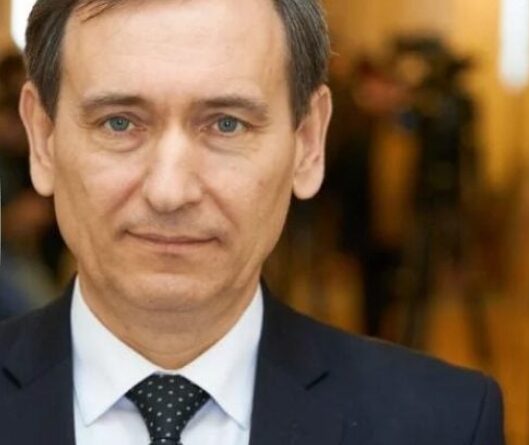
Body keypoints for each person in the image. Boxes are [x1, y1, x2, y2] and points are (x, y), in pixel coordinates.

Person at [0, 0, 503, 444]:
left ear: (308, 143)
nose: (170, 193)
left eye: (227, 124)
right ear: (42, 140)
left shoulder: (444, 425)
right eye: (119, 122)